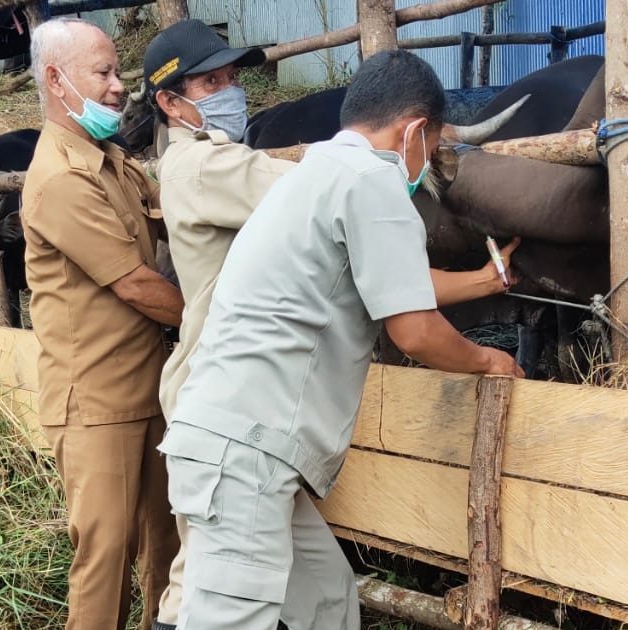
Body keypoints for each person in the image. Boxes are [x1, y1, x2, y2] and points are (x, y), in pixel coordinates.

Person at [142, 21, 522, 630]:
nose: (427, 163)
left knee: (327, 603)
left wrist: (482, 279)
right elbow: (415, 330)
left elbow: (394, 284)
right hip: (247, 453)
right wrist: (489, 361)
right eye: (433, 147)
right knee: (223, 618)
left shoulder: (318, 171)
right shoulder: (373, 181)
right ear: (416, 131)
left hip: (239, 442)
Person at [20, 17, 181, 630]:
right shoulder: (61, 178)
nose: (120, 87)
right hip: (94, 400)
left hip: (148, 385)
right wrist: (215, 322)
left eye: (120, 72)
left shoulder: (111, 159)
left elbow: (170, 222)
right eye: (105, 73)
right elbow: (138, 284)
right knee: (107, 553)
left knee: (166, 541)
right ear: (57, 80)